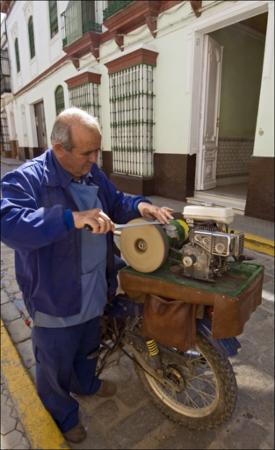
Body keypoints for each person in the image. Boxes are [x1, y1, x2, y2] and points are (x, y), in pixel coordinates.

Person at [0, 107, 173, 443]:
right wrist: (71, 219)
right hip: (55, 296)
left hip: (94, 287)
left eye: (97, 150)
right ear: (59, 148)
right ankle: (63, 414)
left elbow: (116, 200)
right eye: (87, 152)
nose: (95, 159)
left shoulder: (92, 174)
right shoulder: (28, 178)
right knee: (54, 367)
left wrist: (141, 206)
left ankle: (87, 383)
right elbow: (9, 224)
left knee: (88, 348)